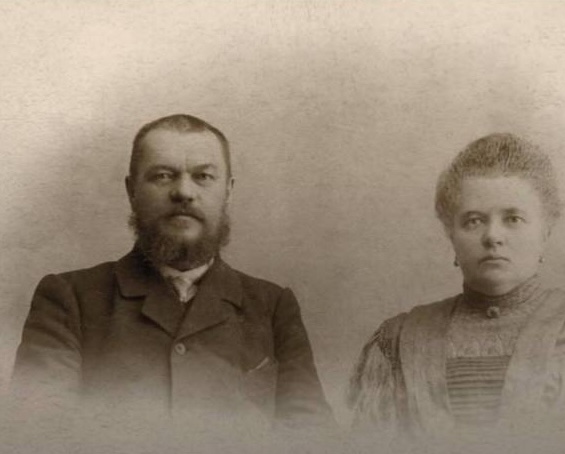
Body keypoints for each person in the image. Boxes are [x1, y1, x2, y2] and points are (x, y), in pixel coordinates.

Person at [13, 114, 332, 428]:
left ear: (228, 191)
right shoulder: (68, 299)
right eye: (163, 176)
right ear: (131, 190)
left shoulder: (273, 308)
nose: (184, 192)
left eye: (203, 176)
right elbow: (38, 436)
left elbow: (310, 444)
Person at [348, 133, 565, 436]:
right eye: (474, 221)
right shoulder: (399, 338)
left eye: (513, 219)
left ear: (545, 231)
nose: (493, 236)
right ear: (451, 235)